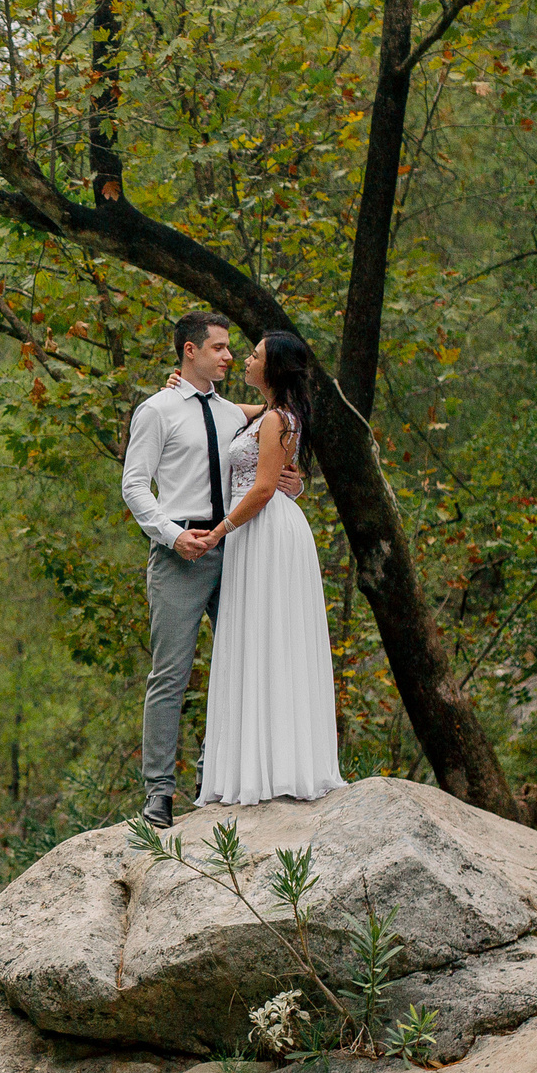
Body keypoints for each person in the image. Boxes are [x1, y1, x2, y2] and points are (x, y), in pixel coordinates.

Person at [119, 313, 298, 828]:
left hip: (238, 549)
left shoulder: (232, 413)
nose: (228, 356)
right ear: (190, 351)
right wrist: (171, 535)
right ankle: (158, 794)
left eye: (231, 349)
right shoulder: (157, 410)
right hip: (179, 551)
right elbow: (134, 485)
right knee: (170, 674)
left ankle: (213, 778)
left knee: (238, 664)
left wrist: (295, 480)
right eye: (218, 348)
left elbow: (285, 418)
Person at [190, 332, 344, 806]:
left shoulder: (277, 418)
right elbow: (222, 410)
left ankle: (272, 767)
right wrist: (182, 388)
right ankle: (262, 762)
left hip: (262, 528)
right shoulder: (270, 413)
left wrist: (218, 532)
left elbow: (261, 489)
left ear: (273, 367)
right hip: (256, 530)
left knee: (269, 635)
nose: (245, 359)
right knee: (259, 636)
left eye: (254, 355)